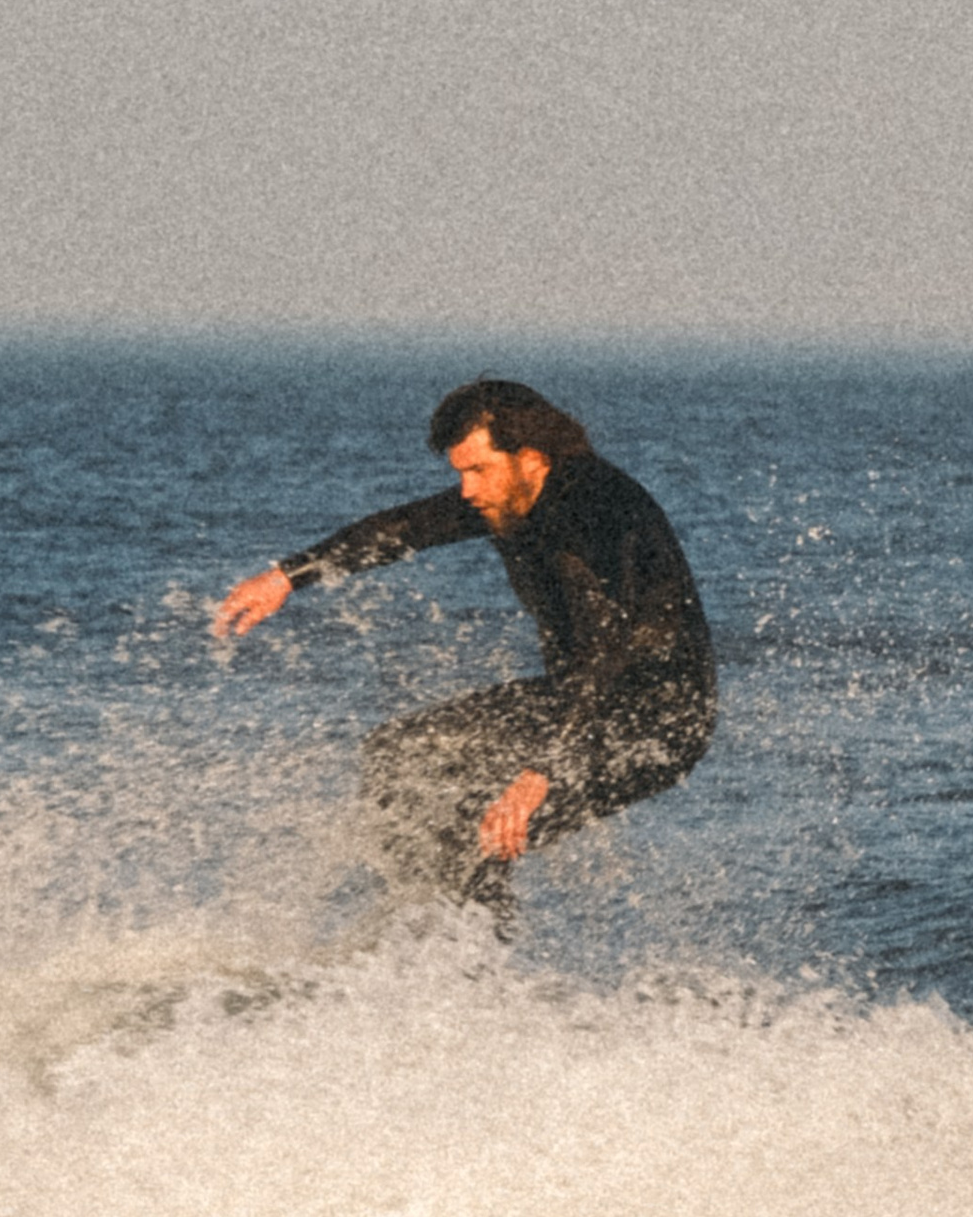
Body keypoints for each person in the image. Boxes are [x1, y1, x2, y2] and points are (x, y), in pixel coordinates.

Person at [214, 378, 716, 923]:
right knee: (395, 754)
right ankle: (417, 928)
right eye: (460, 473)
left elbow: (607, 647)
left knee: (471, 825)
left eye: (478, 470)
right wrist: (288, 577)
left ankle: (472, 966)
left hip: (656, 721)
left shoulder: (595, 509)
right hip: (577, 703)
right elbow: (407, 527)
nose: (467, 490)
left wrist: (539, 772)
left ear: (531, 457)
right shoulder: (516, 494)